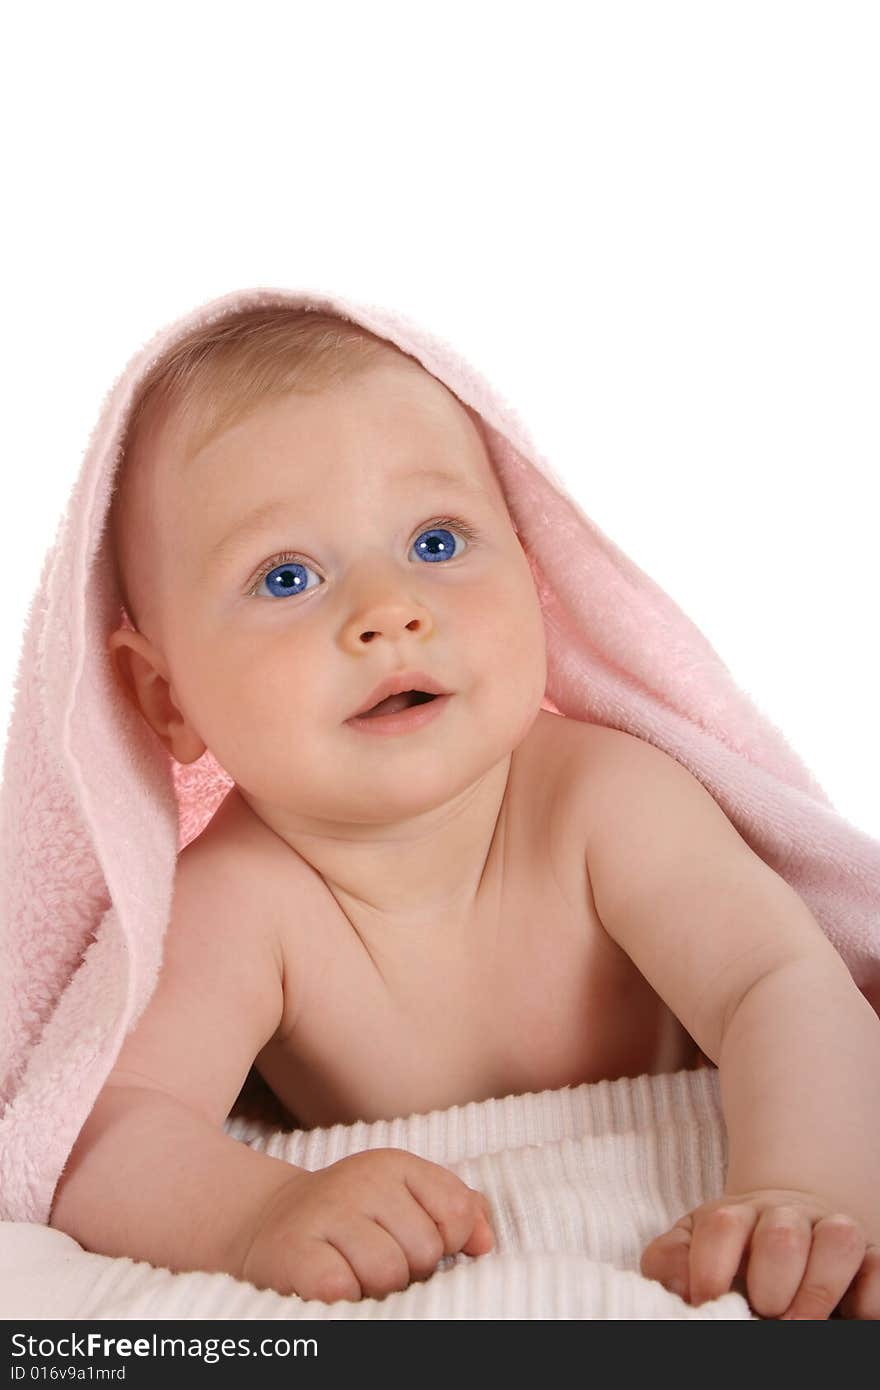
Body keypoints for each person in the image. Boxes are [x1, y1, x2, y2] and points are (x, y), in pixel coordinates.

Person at [48, 307, 880, 1317]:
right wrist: (256, 1211)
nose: (390, 609)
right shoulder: (242, 899)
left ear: (534, 576)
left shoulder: (601, 800)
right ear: (166, 699)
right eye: (287, 576)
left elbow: (783, 983)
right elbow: (110, 1130)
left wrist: (800, 1186)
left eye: (436, 541)